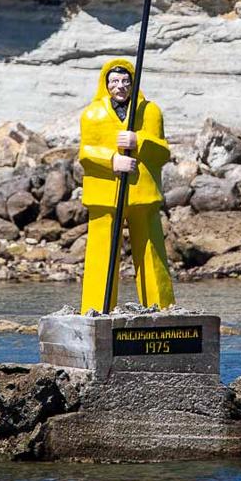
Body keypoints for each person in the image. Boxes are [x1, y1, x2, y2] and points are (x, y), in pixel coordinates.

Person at [77, 58, 175, 314]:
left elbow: (163, 151)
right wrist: (112, 160)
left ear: (133, 83)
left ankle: (161, 307)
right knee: (101, 255)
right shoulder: (92, 114)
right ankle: (96, 308)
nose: (120, 86)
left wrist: (139, 140)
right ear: (105, 84)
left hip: (143, 193)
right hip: (104, 196)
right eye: (114, 81)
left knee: (151, 255)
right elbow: (85, 153)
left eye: (125, 81)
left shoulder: (150, 111)